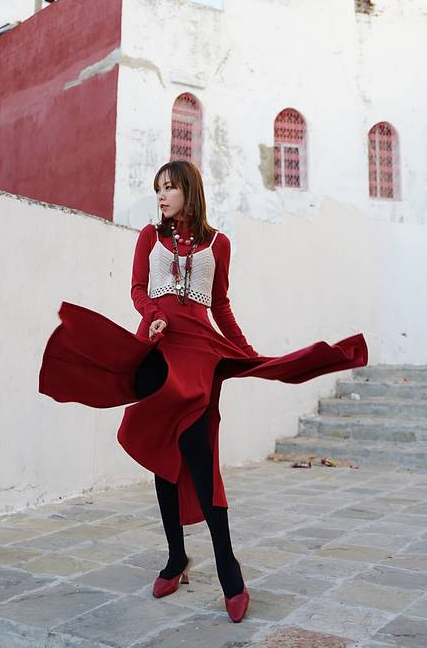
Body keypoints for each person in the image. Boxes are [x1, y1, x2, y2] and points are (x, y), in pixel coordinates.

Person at [39, 160, 368, 623]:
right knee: (162, 454)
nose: (161, 196)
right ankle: (176, 556)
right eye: (158, 188)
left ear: (188, 191)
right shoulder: (148, 237)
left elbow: (221, 305)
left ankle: (228, 567)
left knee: (198, 456)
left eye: (169, 188)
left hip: (199, 355)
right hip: (156, 350)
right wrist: (153, 313)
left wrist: (247, 353)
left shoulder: (219, 244)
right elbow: (137, 289)